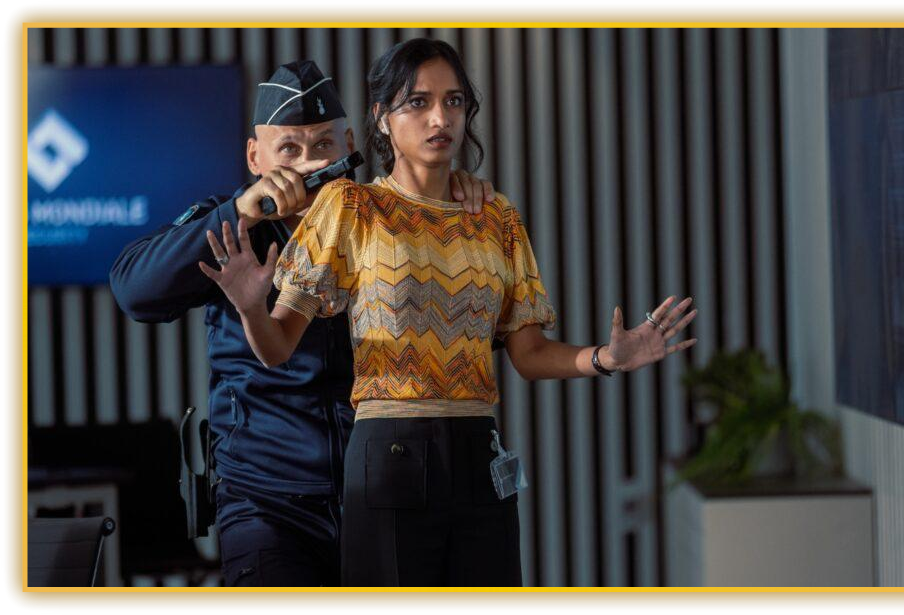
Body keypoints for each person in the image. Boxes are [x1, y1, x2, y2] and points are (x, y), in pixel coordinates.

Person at [199, 39, 698, 587]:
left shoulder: (498, 218)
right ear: (381, 118)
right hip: (389, 458)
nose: (441, 118)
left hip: (481, 458)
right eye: (418, 102)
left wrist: (606, 358)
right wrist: (250, 305)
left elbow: (529, 355)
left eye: (454, 101)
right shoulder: (352, 208)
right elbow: (276, 349)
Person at [109, 59, 494, 587]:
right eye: (289, 149)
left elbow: (476, 333)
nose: (309, 164)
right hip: (265, 501)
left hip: (385, 489)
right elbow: (134, 290)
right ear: (255, 156)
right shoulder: (228, 227)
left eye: (323, 145)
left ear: (350, 145)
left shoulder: (390, 221)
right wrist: (240, 212)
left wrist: (451, 209)